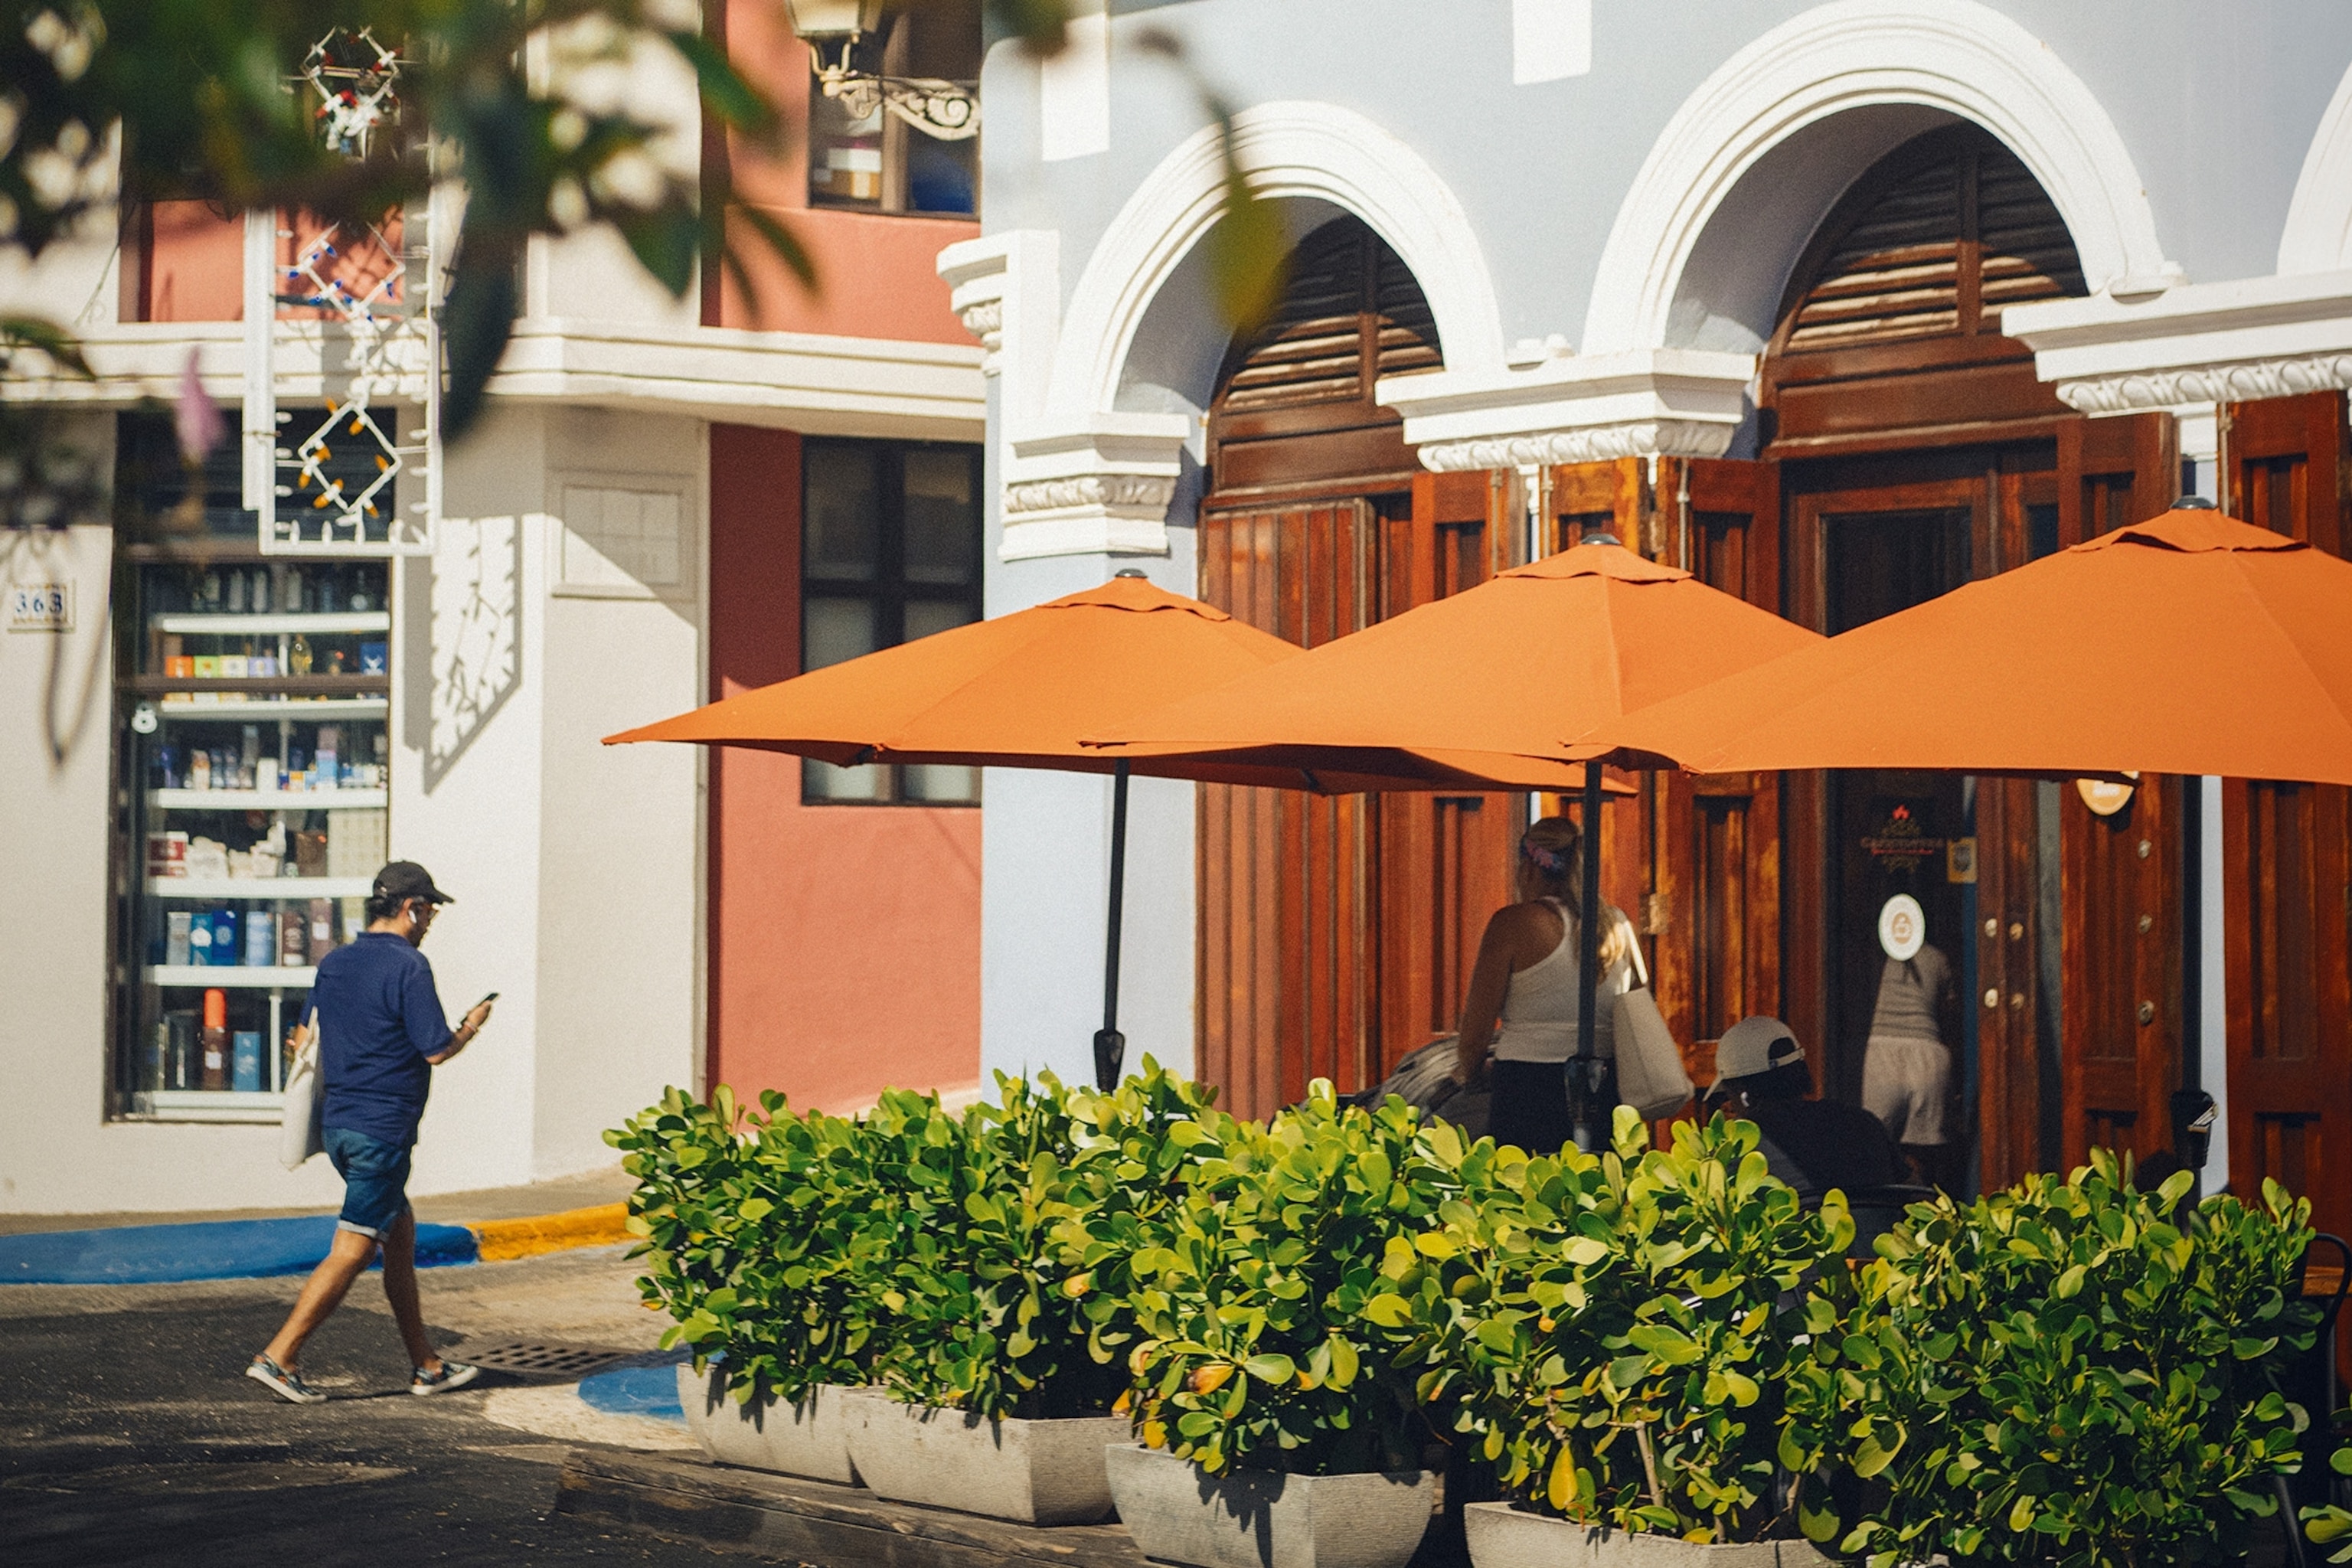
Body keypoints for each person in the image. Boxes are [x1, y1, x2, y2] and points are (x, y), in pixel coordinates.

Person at [246, 862, 495, 1404]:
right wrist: (473, 1022)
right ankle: (279, 1356)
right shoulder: (410, 966)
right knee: (355, 1247)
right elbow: (436, 1048)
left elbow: (302, 1036)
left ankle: (426, 1365)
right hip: (380, 1131)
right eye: (428, 910)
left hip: (338, 1126)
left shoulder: (336, 961)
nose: (430, 921)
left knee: (399, 1238)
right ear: (410, 908)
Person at [1452, 815, 1634, 1154]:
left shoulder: (1513, 923)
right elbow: (1634, 1007)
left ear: (1530, 867)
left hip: (1527, 1088)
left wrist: (1472, 1074)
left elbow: (1475, 1032)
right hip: (1602, 1086)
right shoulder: (1616, 925)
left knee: (1524, 1196)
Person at [1705, 1015, 1903, 1202]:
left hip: (1800, 1238)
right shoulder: (1863, 1121)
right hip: (1879, 1237)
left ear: (1742, 1091)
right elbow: (1910, 1188)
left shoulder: (1742, 1146)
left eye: (1728, 1094)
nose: (1729, 1105)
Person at [1860, 942, 1958, 1190]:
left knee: (1876, 1153)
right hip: (1928, 1055)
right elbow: (1948, 1013)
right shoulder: (1938, 957)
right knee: (1924, 1160)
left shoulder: (1871, 954)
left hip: (1878, 1056)